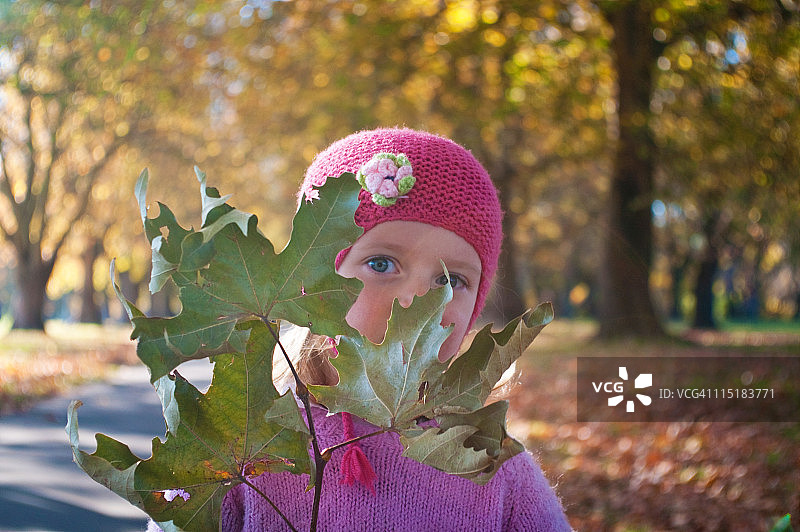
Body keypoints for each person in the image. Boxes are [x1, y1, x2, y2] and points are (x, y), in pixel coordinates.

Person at [149, 128, 571, 531]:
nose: (415, 299)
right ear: (315, 284)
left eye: (450, 280)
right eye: (382, 264)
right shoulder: (240, 449)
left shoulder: (492, 467)